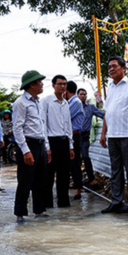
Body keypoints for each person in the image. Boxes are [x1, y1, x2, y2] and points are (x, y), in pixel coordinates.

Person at [100, 56, 128, 214]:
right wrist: (103, 133)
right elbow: (107, 112)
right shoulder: (111, 87)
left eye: (114, 66)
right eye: (109, 67)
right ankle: (116, 201)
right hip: (112, 136)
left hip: (127, 135)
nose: (111, 69)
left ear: (123, 68)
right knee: (115, 170)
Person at [13, 70, 51, 223]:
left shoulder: (38, 102)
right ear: (32, 84)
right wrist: (25, 151)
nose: (42, 84)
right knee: (25, 181)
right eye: (39, 82)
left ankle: (39, 211)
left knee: (40, 180)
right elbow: (17, 128)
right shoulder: (21, 103)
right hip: (28, 145)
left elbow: (42, 126)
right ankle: (20, 214)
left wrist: (47, 147)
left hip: (40, 144)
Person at [41, 75, 75, 208]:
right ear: (53, 85)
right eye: (60, 84)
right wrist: (47, 147)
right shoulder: (46, 101)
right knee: (48, 175)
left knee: (64, 174)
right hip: (51, 141)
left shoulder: (66, 103)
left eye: (64, 84)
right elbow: (43, 124)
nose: (62, 86)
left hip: (64, 142)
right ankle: (47, 203)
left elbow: (68, 126)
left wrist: (71, 145)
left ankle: (63, 202)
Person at [77, 88, 104, 186]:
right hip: (74, 136)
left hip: (84, 136)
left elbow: (102, 115)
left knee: (85, 157)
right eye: (81, 94)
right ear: (77, 96)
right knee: (76, 159)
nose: (83, 96)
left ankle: (91, 179)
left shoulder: (90, 107)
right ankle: (77, 181)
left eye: (85, 94)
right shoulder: (73, 106)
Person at [65, 81, 84, 200]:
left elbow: (65, 116)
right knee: (69, 164)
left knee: (75, 163)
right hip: (69, 135)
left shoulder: (75, 102)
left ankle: (78, 190)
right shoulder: (70, 102)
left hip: (75, 136)